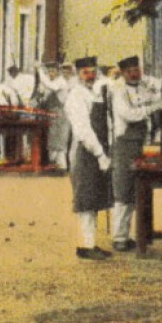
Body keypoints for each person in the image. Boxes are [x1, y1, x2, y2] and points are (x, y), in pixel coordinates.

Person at [109, 55, 162, 252]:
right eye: (131, 71)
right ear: (124, 73)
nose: (136, 74)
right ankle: (119, 237)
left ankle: (128, 235)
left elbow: (153, 97)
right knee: (123, 191)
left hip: (138, 144)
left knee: (135, 191)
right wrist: (153, 108)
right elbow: (130, 115)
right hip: (124, 144)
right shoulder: (119, 92)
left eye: (137, 69)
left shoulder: (140, 88)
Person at [65, 56, 115, 259]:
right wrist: (100, 154)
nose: (90, 76)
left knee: (94, 198)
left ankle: (90, 243)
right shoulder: (76, 96)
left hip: (99, 150)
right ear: (78, 74)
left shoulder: (96, 93)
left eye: (93, 72)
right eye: (86, 72)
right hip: (85, 151)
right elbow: (83, 130)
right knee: (85, 199)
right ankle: (84, 245)